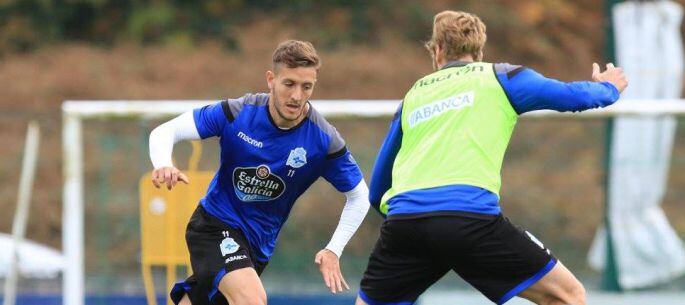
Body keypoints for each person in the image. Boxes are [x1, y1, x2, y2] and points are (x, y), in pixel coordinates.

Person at [358, 10, 628, 305]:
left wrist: (418, 224)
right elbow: (574, 97)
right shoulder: (501, 77)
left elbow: (378, 188)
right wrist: (609, 87)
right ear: (479, 52)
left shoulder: (413, 96)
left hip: (406, 223)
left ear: (436, 52)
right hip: (471, 221)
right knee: (568, 296)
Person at [148, 40, 370, 305]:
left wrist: (334, 249)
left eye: (306, 86)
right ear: (271, 80)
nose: (297, 96)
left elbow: (359, 196)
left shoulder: (323, 140)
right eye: (289, 84)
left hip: (258, 248)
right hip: (214, 226)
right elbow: (165, 131)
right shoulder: (238, 113)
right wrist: (163, 163)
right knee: (253, 300)